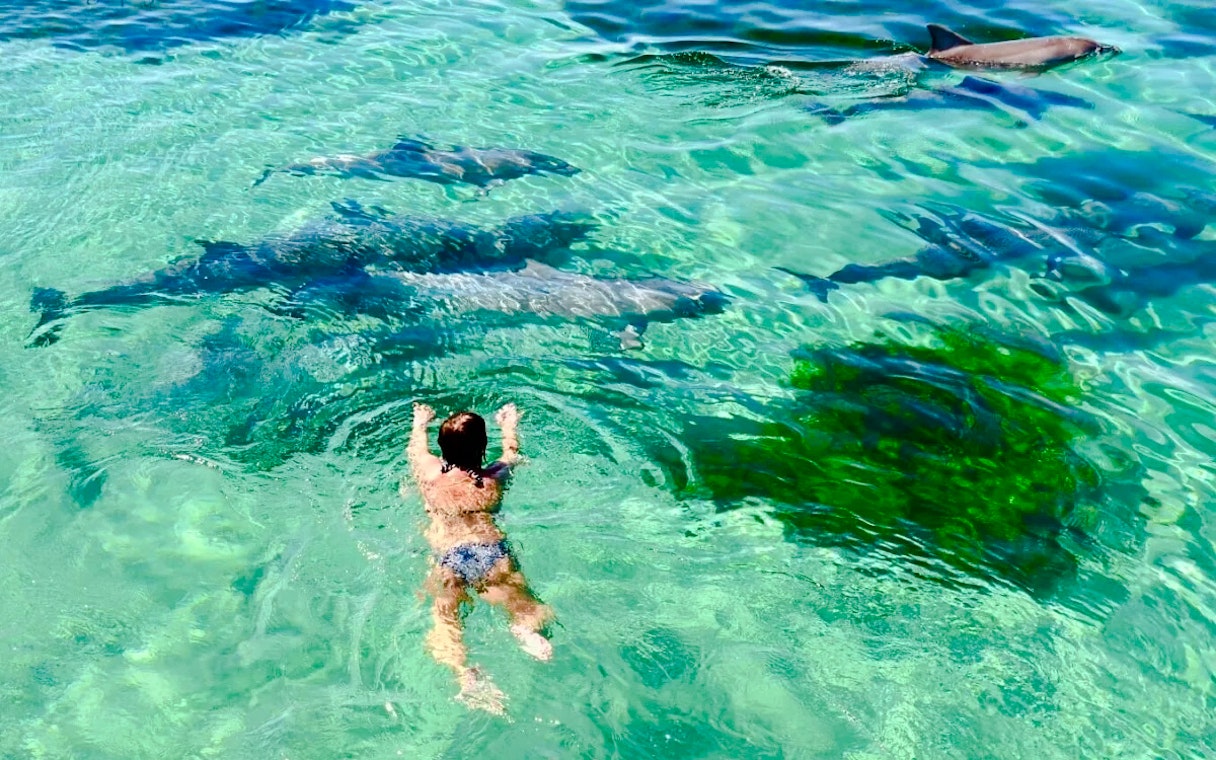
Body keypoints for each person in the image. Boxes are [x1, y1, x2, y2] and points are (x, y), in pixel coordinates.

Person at [407, 402, 554, 714]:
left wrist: (420, 422)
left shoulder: (430, 474)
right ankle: (526, 631)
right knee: (522, 604)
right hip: (490, 550)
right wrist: (508, 424)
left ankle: (465, 675)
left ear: (441, 447)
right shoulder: (492, 478)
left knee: (445, 620)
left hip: (448, 554)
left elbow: (416, 450)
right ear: (482, 447)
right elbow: (512, 453)